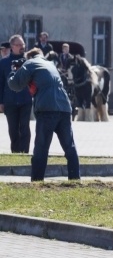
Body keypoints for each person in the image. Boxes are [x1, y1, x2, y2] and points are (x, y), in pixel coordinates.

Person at [8, 48, 80, 180]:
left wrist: (13, 71)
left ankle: (37, 180)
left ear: (29, 57)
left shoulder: (30, 63)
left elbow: (15, 85)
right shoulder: (50, 64)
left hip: (47, 109)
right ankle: (75, 179)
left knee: (41, 147)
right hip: (64, 107)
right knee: (69, 147)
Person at [0, 35, 33, 153]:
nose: (22, 47)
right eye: (19, 45)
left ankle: (24, 152)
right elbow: (1, 83)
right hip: (10, 101)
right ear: (12, 46)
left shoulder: (29, 62)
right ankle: (15, 151)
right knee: (13, 129)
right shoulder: (4, 62)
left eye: (23, 45)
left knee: (24, 128)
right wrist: (1, 102)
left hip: (26, 100)